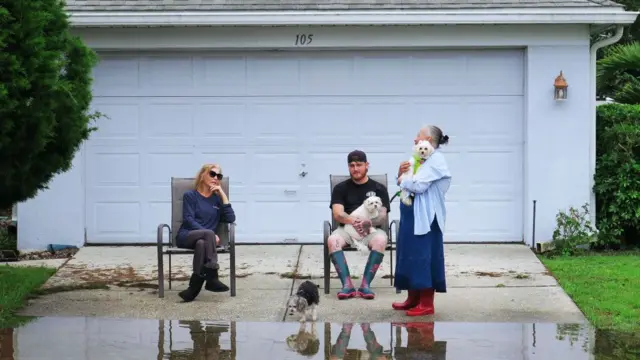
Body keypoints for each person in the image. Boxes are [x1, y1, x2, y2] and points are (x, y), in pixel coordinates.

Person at [392, 125, 452, 316]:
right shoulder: (417, 158)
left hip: (427, 217)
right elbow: (404, 179)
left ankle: (426, 303)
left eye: (419, 136)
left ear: (430, 142)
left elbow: (418, 186)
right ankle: (412, 298)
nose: (415, 140)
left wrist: (402, 179)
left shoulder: (436, 160)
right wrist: (399, 173)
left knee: (424, 256)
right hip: (410, 214)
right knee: (409, 254)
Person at [327, 150, 391, 300]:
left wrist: (368, 223)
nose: (355, 169)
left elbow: (382, 216)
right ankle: (347, 286)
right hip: (347, 230)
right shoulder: (340, 188)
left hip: (372, 230)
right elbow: (338, 213)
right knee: (332, 240)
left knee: (381, 240)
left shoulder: (378, 188)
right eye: (352, 165)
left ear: (367, 165)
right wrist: (353, 221)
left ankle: (365, 286)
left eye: (359, 165)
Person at [175, 163, 236, 302]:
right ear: (202, 175)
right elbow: (188, 219)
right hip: (187, 236)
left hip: (205, 241)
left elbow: (231, 218)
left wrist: (222, 195)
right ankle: (212, 277)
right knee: (207, 235)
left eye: (219, 176)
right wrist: (209, 233)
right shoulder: (190, 196)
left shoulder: (216, 200)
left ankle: (192, 289)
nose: (216, 178)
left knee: (202, 243)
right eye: (212, 174)